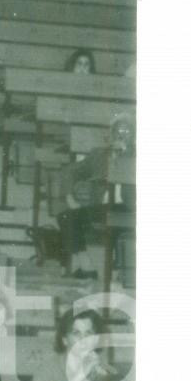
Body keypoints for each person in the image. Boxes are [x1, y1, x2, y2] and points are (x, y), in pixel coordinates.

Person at [51, 113, 136, 278]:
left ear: (133, 137)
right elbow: (70, 171)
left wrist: (123, 155)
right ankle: (87, 265)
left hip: (128, 208)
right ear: (111, 135)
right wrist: (70, 197)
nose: (121, 135)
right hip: (102, 206)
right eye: (118, 131)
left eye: (126, 132)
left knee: (117, 226)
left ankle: (116, 271)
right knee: (66, 216)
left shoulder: (138, 156)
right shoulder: (98, 155)